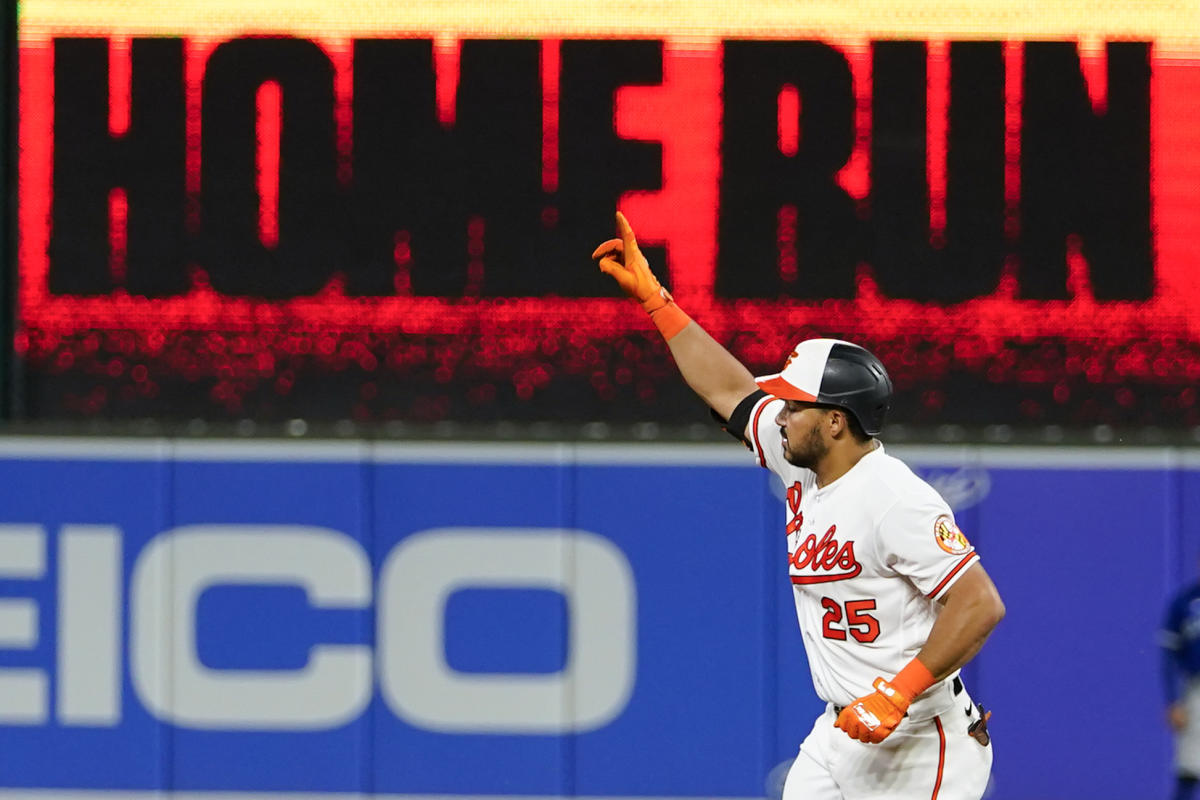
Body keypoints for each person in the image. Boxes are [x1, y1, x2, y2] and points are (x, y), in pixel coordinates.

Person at [593, 212, 1005, 800]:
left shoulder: (894, 496)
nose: (779, 414)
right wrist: (659, 303)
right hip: (839, 732)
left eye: (794, 405)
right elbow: (729, 390)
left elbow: (979, 603)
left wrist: (898, 691)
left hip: (920, 736)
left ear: (835, 421)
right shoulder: (801, 460)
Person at [1161, 565, 1200, 800]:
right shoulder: (1185, 603)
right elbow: (1168, 654)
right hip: (1196, 692)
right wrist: (1172, 700)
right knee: (1189, 768)